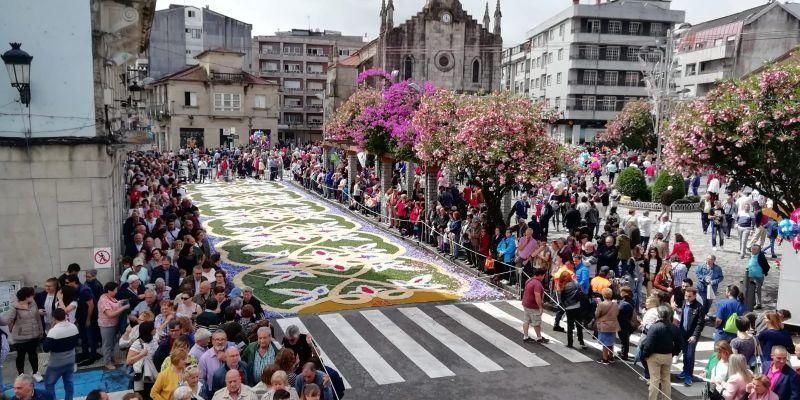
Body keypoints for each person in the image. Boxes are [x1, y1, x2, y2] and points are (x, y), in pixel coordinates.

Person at [641, 306, 681, 400]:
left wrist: (645, 355)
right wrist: (673, 353)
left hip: (654, 356)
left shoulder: (654, 327)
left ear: (659, 315)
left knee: (654, 380)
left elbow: (648, 343)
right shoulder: (674, 328)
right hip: (667, 355)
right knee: (666, 380)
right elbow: (679, 344)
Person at [6, 287, 44, 381]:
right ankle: (21, 374)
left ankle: (35, 372)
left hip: (33, 335)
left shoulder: (33, 303)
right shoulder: (14, 306)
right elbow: (8, 320)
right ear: (26, 297)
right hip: (20, 337)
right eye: (32, 295)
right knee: (20, 356)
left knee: (33, 355)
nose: (33, 296)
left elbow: (37, 317)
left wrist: (40, 330)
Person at [42, 308, 79, 400]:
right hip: (71, 359)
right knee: (69, 382)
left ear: (54, 318)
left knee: (49, 384)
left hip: (56, 362)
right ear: (65, 316)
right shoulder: (73, 327)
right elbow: (76, 343)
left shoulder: (53, 331)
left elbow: (45, 348)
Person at [99, 281, 131, 370]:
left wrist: (121, 302)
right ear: (109, 291)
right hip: (106, 325)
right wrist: (123, 307)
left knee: (112, 343)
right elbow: (110, 314)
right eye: (115, 290)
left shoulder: (111, 298)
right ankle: (107, 362)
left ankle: (112, 359)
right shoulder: (103, 300)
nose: (116, 292)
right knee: (107, 344)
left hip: (113, 324)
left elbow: (115, 304)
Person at [678, 287, 706, 387]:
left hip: (692, 336)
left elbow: (700, 324)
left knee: (690, 355)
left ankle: (689, 376)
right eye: (686, 296)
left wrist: (694, 336)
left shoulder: (699, 308)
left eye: (689, 296)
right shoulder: (684, 303)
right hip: (683, 333)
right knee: (685, 354)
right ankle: (685, 371)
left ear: (694, 296)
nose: (687, 298)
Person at [127, 320, 159, 399]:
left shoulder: (154, 339)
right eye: (153, 328)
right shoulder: (137, 343)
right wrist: (141, 354)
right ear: (149, 331)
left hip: (153, 372)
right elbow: (128, 361)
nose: (155, 329)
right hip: (142, 375)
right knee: (142, 396)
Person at [558, 271, 587, 350]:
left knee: (570, 326)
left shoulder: (563, 287)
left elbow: (562, 299)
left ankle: (570, 343)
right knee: (579, 325)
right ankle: (581, 342)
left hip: (569, 308)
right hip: (577, 306)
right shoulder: (576, 283)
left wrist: (564, 306)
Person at [521, 268, 549, 343]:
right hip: (533, 306)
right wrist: (540, 307)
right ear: (540, 275)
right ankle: (539, 337)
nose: (543, 277)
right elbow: (537, 296)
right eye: (543, 276)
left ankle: (525, 336)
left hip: (525, 304)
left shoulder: (529, 280)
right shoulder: (537, 284)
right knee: (536, 322)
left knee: (526, 320)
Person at [595, 288, 620, 365]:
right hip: (613, 325)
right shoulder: (615, 304)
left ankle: (605, 359)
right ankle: (611, 357)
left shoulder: (601, 304)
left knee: (605, 344)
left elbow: (597, 314)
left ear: (603, 295)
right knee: (611, 342)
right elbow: (617, 313)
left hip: (604, 325)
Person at [748, 244, 769, 309]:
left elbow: (767, 266)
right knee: (751, 289)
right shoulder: (751, 255)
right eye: (752, 249)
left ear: (759, 250)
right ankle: (752, 302)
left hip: (758, 276)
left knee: (757, 290)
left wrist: (764, 272)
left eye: (754, 249)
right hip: (751, 276)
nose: (752, 250)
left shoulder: (761, 257)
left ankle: (758, 304)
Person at [617, 286, 636, 361]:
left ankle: (624, 354)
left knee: (624, 340)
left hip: (624, 324)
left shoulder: (625, 304)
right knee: (625, 339)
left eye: (622, 292)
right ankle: (623, 351)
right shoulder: (630, 301)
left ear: (626, 293)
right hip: (628, 324)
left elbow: (620, 313)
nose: (620, 293)